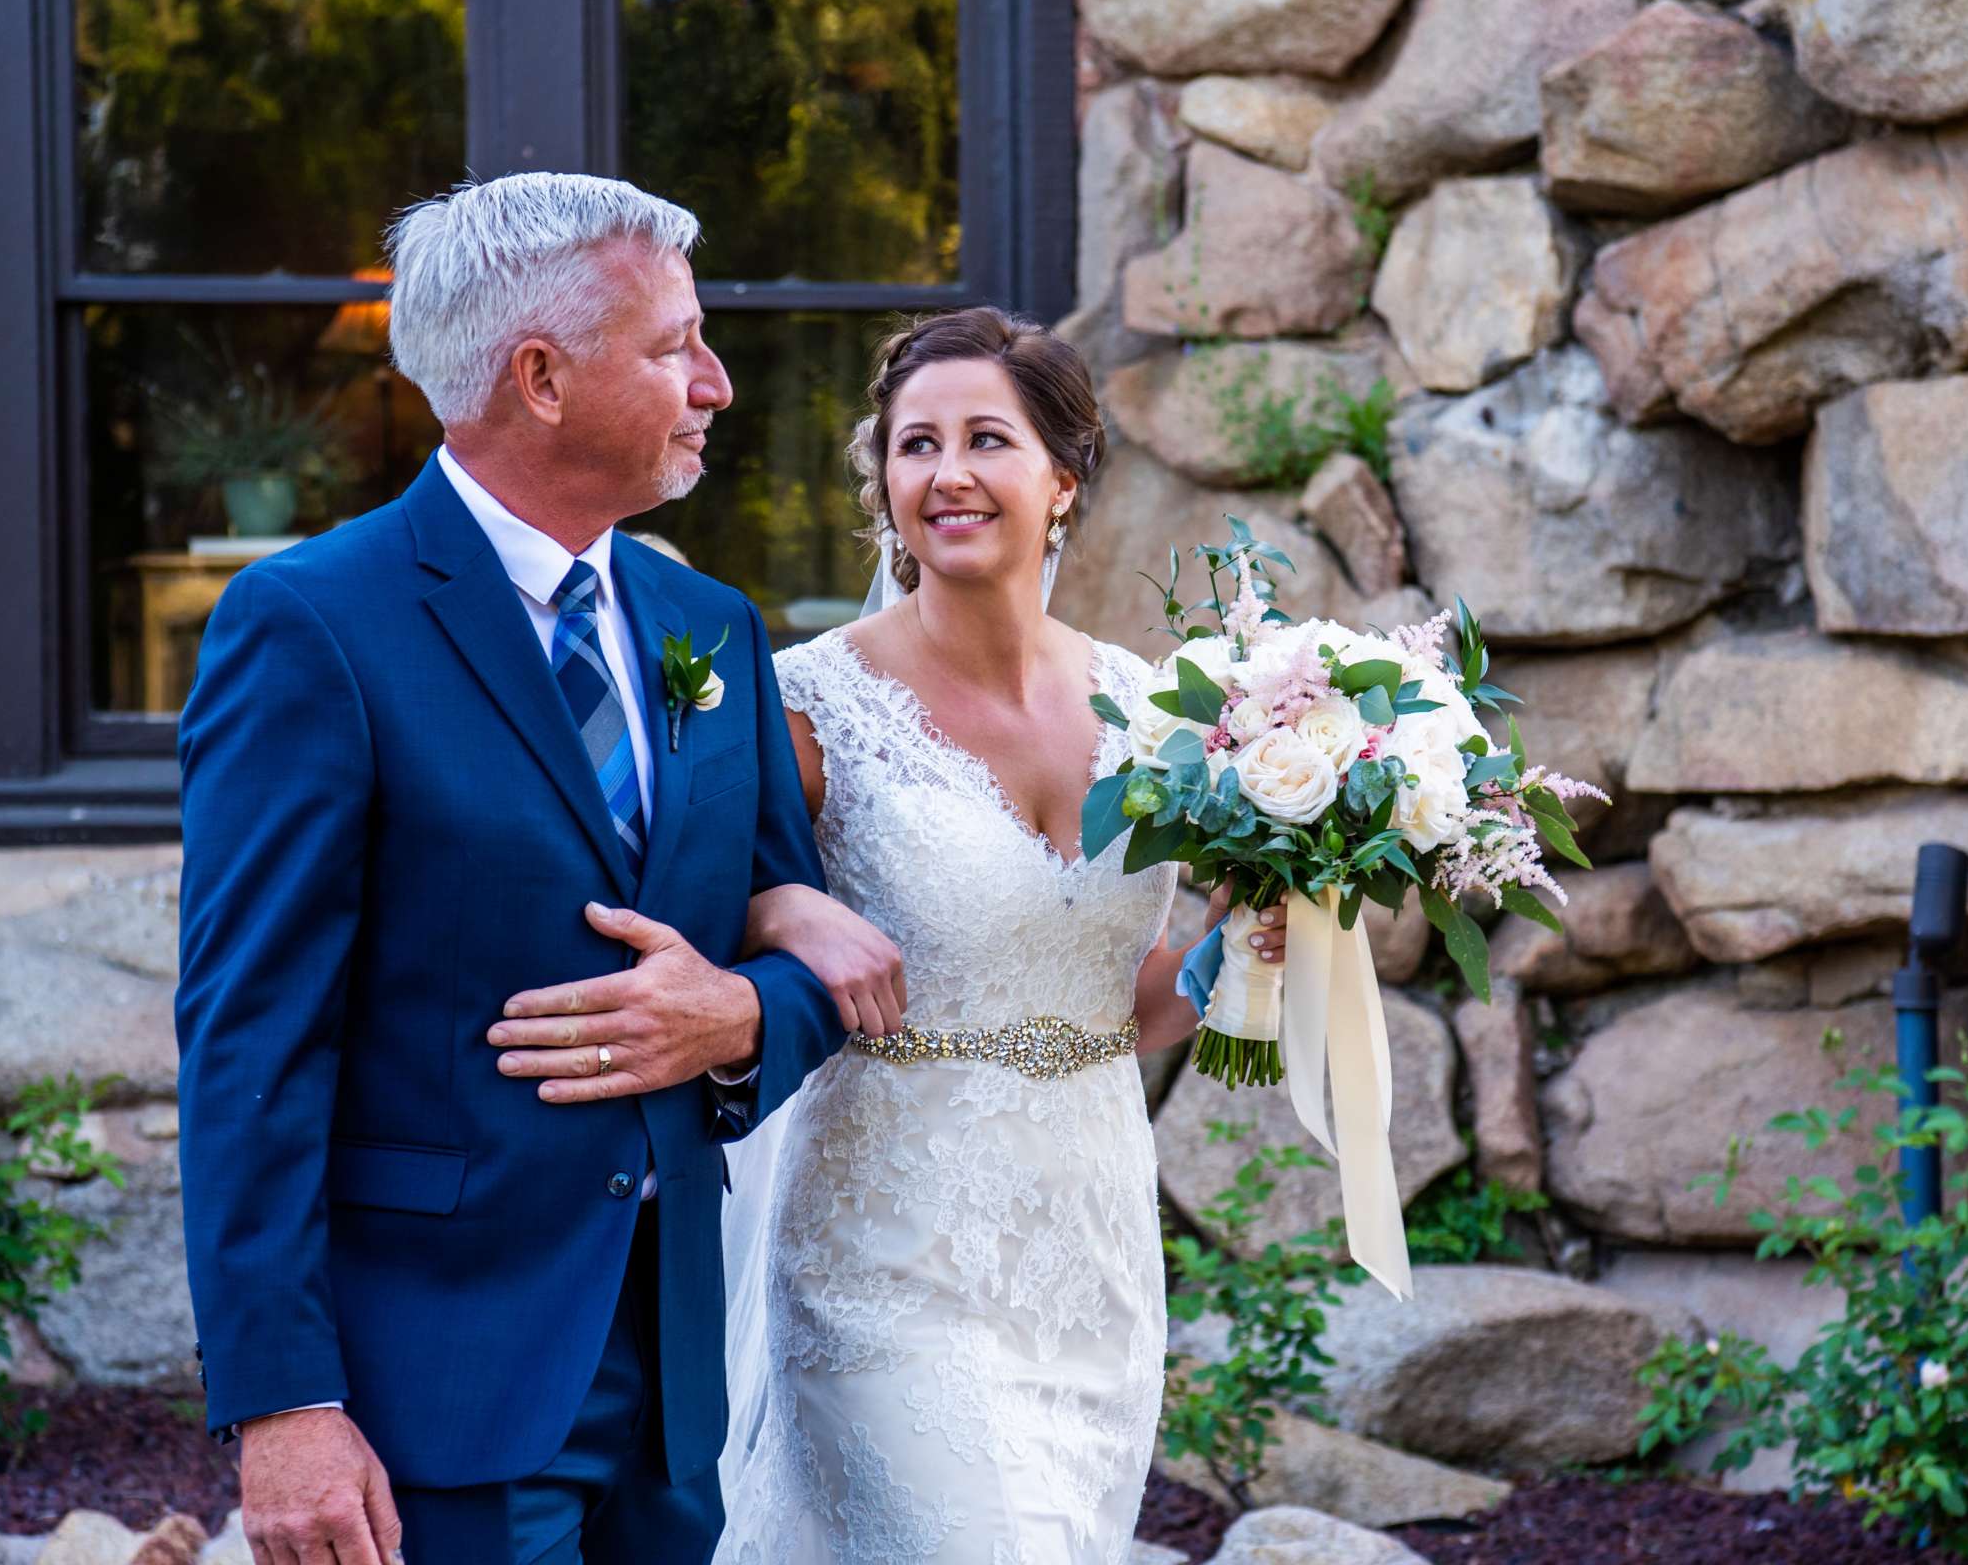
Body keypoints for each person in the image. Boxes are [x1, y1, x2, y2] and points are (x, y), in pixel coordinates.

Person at [173, 172, 899, 1565]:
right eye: (676, 344)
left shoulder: (711, 626)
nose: (719, 383)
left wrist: (744, 1018)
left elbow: (792, 944)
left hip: (675, 1388)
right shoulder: (311, 625)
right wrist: (284, 1403)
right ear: (542, 377)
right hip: (434, 1389)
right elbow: (248, 1038)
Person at [702, 308, 1289, 1563]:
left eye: (985, 438)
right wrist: (782, 906)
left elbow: (1117, 1006)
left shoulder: (1155, 711)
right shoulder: (807, 705)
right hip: (883, 1254)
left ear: (1062, 480)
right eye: (916, 445)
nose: (946, 472)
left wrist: (1242, 942)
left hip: (1088, 1249)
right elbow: (710, 913)